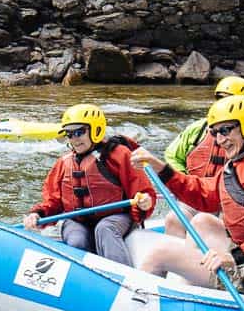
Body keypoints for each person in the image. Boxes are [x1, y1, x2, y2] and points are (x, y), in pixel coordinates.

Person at [131, 96, 244, 301]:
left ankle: (141, 306)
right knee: (203, 221)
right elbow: (206, 194)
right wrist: (161, 169)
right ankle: (191, 287)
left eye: (225, 130)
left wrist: (234, 257)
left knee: (161, 253)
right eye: (214, 133)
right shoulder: (243, 159)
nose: (220, 140)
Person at [24, 104, 155, 266]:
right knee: (76, 240)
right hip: (78, 220)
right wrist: (38, 215)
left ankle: (122, 279)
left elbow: (143, 191)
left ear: (96, 130)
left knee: (105, 228)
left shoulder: (120, 155)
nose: (74, 139)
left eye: (79, 132)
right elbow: (52, 201)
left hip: (116, 217)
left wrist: (144, 203)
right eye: (69, 134)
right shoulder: (63, 163)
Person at [161, 75, 244, 237]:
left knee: (206, 226)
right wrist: (185, 182)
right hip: (198, 193)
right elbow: (172, 155)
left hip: (234, 200)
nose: (221, 102)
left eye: (228, 99)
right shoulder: (197, 129)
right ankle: (178, 259)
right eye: (219, 98)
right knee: (173, 220)